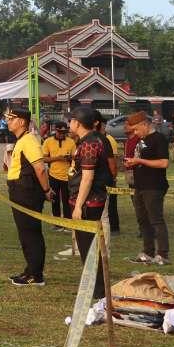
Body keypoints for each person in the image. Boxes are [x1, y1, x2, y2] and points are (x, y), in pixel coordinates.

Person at [66, 106, 112, 299]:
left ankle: (98, 290)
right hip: (84, 200)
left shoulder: (90, 143)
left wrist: (78, 205)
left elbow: (87, 177)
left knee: (88, 247)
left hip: (88, 203)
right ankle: (95, 286)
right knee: (86, 247)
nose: (69, 124)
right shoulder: (86, 141)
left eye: (71, 120)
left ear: (77, 123)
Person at [5, 106, 52, 286]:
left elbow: (40, 168)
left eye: (12, 119)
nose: (9, 122)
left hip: (27, 193)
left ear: (22, 122)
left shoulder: (29, 140)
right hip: (20, 191)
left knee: (31, 233)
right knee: (25, 233)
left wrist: (47, 190)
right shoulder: (22, 140)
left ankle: (36, 275)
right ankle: (30, 269)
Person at [125, 111, 170, 265]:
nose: (135, 133)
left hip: (154, 186)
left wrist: (140, 161)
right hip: (139, 185)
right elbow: (142, 158)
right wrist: (133, 162)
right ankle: (147, 252)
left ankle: (163, 254)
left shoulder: (159, 139)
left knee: (156, 220)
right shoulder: (141, 140)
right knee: (142, 220)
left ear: (145, 124)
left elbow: (164, 163)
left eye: (137, 129)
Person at [42, 122, 75, 225]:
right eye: (60, 132)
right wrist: (57, 158)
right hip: (53, 175)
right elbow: (44, 159)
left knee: (67, 201)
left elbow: (75, 158)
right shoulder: (48, 141)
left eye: (64, 132)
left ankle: (67, 223)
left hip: (67, 176)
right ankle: (56, 223)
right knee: (55, 200)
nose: (62, 134)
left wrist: (70, 158)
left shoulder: (71, 142)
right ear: (55, 130)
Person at [97, 115, 121, 234]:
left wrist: (113, 177)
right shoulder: (96, 138)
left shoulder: (109, 139)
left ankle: (115, 227)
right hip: (100, 178)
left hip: (108, 177)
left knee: (111, 204)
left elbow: (114, 160)